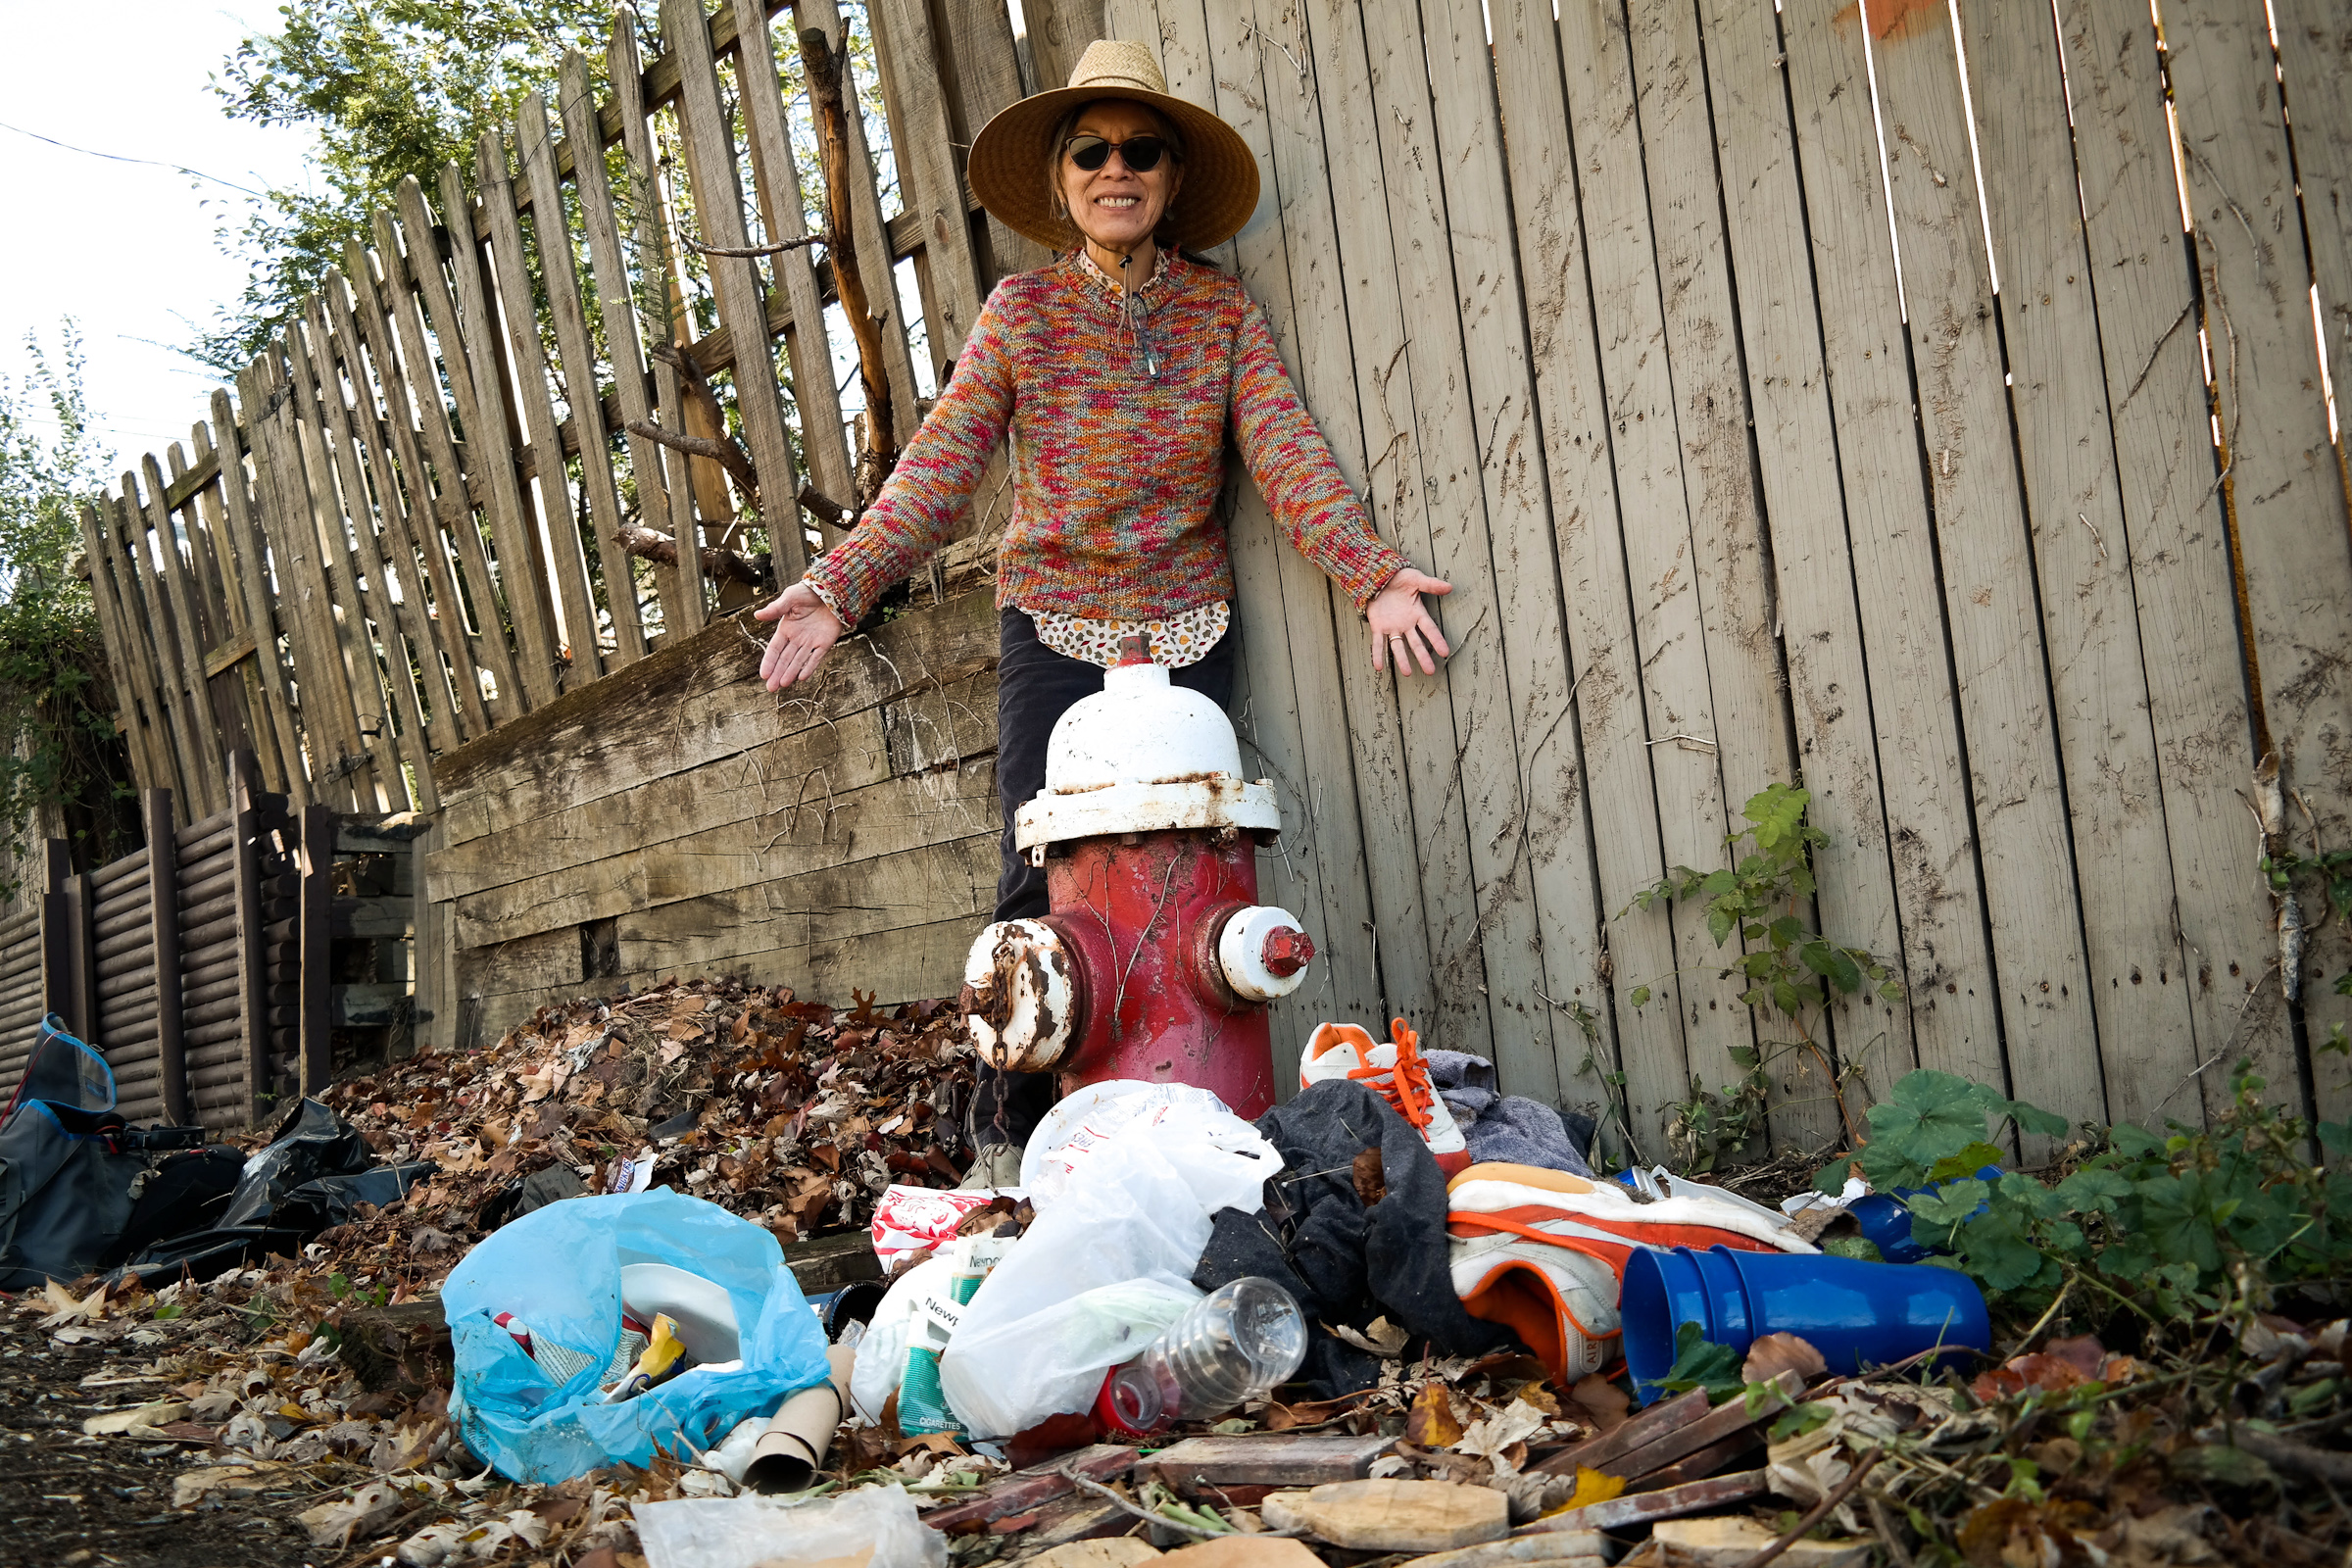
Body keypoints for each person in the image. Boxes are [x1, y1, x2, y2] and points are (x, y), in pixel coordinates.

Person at [751, 39, 1453, 1175]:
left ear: (1171, 181)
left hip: (1187, 627)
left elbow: (1286, 456)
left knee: (1194, 872)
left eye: (1140, 152)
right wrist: (842, 586)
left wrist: (1368, 571)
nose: (1114, 169)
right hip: (1054, 625)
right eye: (1092, 151)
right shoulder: (1022, 313)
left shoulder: (1220, 316)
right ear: (1064, 179)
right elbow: (940, 466)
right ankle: (1014, 1142)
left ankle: (1187, 1120)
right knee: (1041, 874)